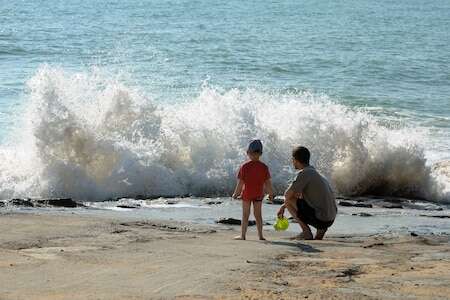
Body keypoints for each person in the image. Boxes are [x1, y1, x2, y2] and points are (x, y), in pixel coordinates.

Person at [277, 146, 337, 240]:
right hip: (330, 218)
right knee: (296, 199)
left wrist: (284, 205)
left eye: (292, 159)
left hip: (321, 218)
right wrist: (283, 206)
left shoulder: (305, 173)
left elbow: (287, 195)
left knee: (288, 200)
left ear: (295, 159)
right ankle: (321, 230)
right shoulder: (317, 174)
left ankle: (306, 232)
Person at [232, 140, 274, 240]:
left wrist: (235, 194)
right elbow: (267, 183)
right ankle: (260, 236)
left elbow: (241, 183)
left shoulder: (244, 167)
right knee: (258, 215)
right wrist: (271, 194)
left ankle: (243, 235)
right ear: (261, 153)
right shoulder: (264, 167)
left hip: (247, 194)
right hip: (258, 194)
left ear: (247, 153)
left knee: (245, 215)